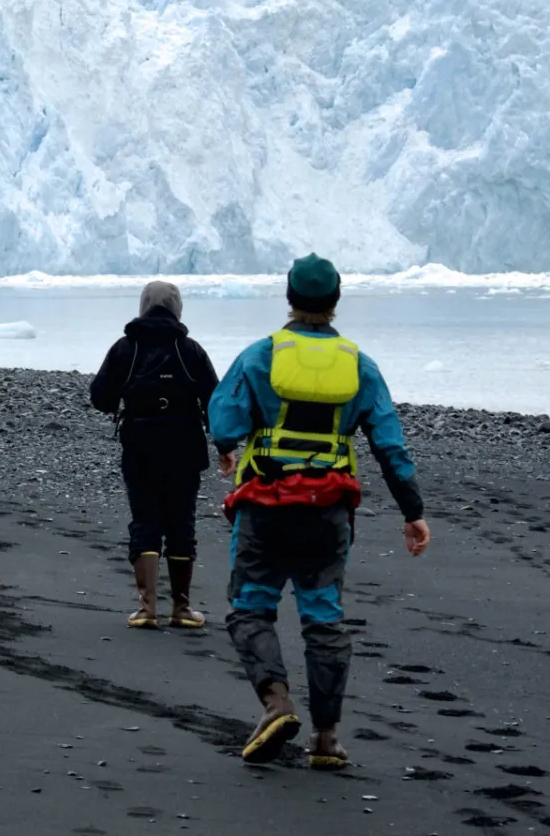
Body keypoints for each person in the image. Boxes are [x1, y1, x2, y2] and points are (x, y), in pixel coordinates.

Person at [210, 254, 431, 770]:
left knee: (251, 608)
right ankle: (326, 738)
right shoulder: (359, 364)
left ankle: (276, 702)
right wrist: (412, 511)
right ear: (335, 301)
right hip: (328, 512)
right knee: (323, 618)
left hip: (265, 506)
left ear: (289, 298)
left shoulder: (261, 355)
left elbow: (224, 420)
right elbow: (389, 444)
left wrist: (226, 444)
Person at [90, 280, 217, 630]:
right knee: (181, 522)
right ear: (177, 309)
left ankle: (147, 607)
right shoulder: (189, 349)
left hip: (139, 445)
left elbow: (100, 398)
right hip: (185, 448)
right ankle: (182, 608)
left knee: (145, 519)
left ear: (143, 307)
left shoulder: (125, 348)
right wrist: (224, 444)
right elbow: (215, 401)